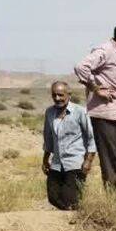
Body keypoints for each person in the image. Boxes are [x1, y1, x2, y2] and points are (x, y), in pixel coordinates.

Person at [73, 22, 116, 192]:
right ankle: (115, 198)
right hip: (105, 113)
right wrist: (96, 89)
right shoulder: (106, 50)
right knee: (111, 157)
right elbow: (81, 67)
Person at [41, 81, 96, 210]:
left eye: (60, 95)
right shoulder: (49, 112)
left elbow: (91, 138)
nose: (57, 98)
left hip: (75, 163)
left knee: (70, 198)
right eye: (54, 95)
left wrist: (88, 161)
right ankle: (68, 214)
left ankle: (74, 218)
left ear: (69, 94)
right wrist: (45, 159)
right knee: (53, 197)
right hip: (57, 163)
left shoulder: (80, 112)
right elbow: (48, 138)